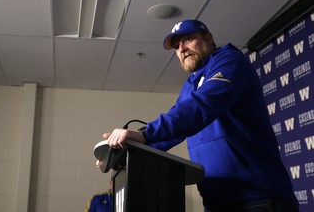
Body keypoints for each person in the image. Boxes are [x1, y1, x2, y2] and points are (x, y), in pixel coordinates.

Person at [102, 19, 299, 212]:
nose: (181, 49)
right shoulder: (190, 86)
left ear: (209, 38)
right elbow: (176, 126)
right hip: (216, 201)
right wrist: (123, 152)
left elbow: (204, 105)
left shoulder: (229, 60)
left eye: (188, 39)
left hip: (258, 198)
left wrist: (147, 134)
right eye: (177, 46)